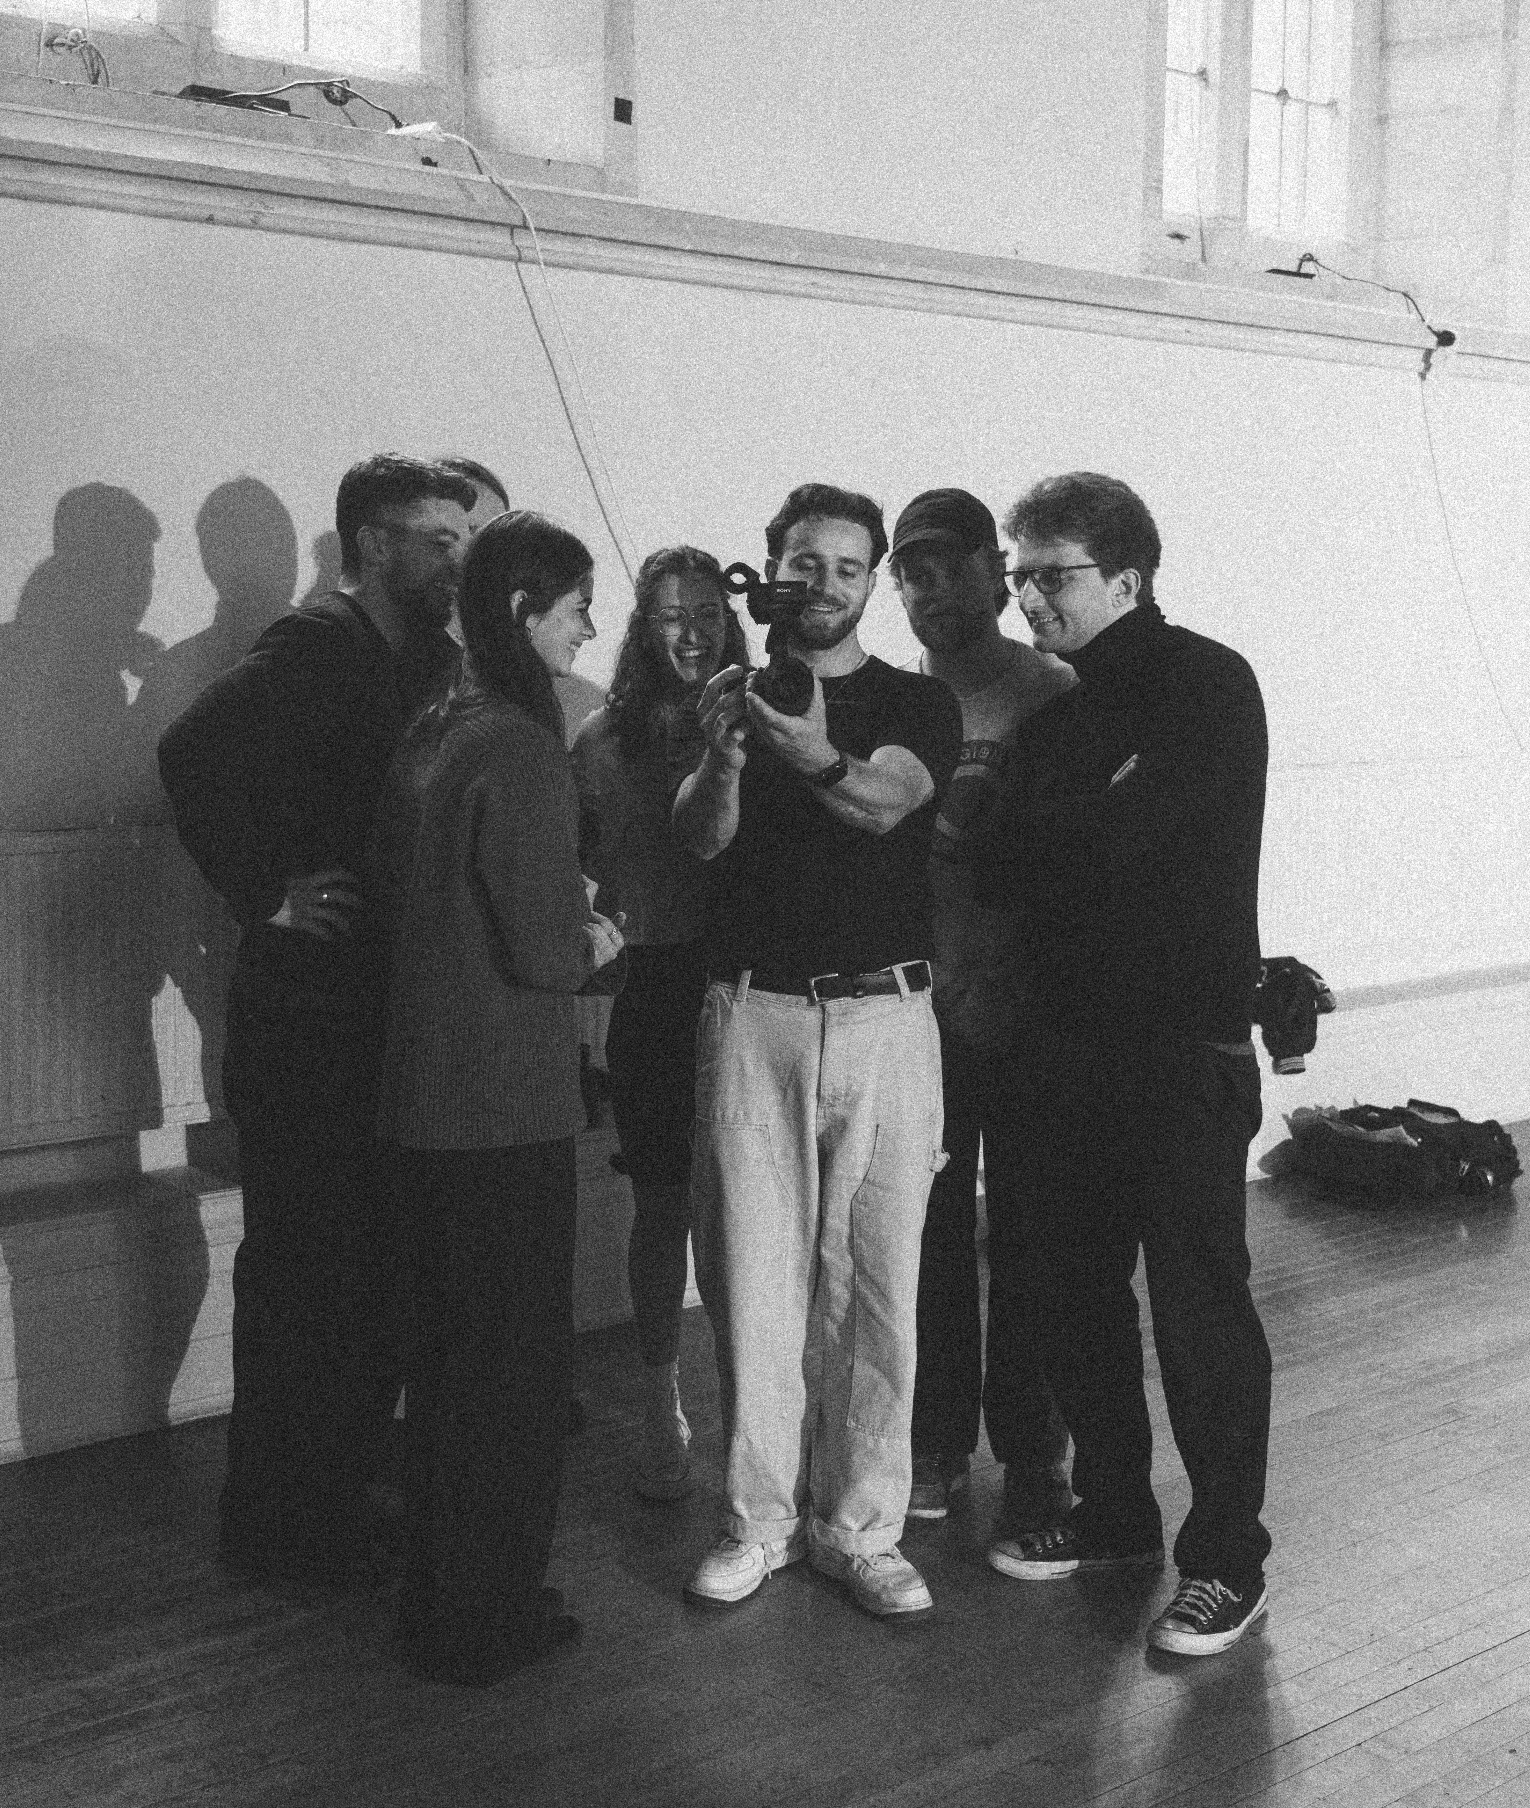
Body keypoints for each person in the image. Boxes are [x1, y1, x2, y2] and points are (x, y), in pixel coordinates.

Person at [970, 472, 1273, 1658]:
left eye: (1052, 576)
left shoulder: (1207, 682)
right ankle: (1115, 1516)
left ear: (1128, 578)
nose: (1028, 597)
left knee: (1200, 1312)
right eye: (1021, 575)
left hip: (1179, 1055)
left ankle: (1228, 1561)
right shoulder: (1057, 721)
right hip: (1065, 1054)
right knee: (1074, 1295)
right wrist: (1073, 828)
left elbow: (1126, 845)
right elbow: (1012, 870)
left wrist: (1062, 832)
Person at [157, 453, 474, 1582]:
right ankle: (281, 1524)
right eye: (436, 537)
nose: (457, 556)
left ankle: (333, 1496)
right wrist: (266, 890)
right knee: (302, 1275)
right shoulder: (314, 644)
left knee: (368, 1268)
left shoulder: (424, 655)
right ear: (370, 542)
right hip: (303, 1022)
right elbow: (189, 754)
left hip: (372, 1017)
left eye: (462, 536)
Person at [675, 482, 961, 1618]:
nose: (825, 584)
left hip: (891, 1019)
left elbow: (889, 802)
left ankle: (863, 1528)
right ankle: (758, 1521)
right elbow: (700, 838)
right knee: (752, 1274)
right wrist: (731, 756)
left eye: (848, 565)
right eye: (806, 561)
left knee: (883, 1279)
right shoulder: (728, 697)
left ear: (872, 579)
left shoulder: (915, 700)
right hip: (757, 1013)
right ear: (772, 566)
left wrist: (807, 751)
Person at [369, 510, 625, 1685]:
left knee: (450, 1371)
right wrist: (600, 924)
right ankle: (487, 1615)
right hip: (504, 1109)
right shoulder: (520, 745)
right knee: (512, 1381)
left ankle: (440, 1598)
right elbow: (545, 952)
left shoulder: (436, 727)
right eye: (576, 603)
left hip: (424, 1103)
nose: (590, 622)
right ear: (525, 611)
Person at [888, 488, 1075, 1528]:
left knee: (1035, 1230)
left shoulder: (1050, 688)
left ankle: (1036, 1446)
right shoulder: (895, 701)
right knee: (931, 1229)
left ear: (991, 571)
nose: (932, 589)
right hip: (928, 1010)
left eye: (949, 565)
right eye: (911, 573)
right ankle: (937, 1438)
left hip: (1032, 1004)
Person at [571, 547, 749, 1501]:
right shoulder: (601, 741)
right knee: (663, 1207)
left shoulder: (760, 722)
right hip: (650, 989)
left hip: (745, 988)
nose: (693, 631)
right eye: (672, 615)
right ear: (643, 627)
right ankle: (660, 1404)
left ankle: (752, 1410)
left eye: (709, 613)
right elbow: (570, 868)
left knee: (750, 1213)